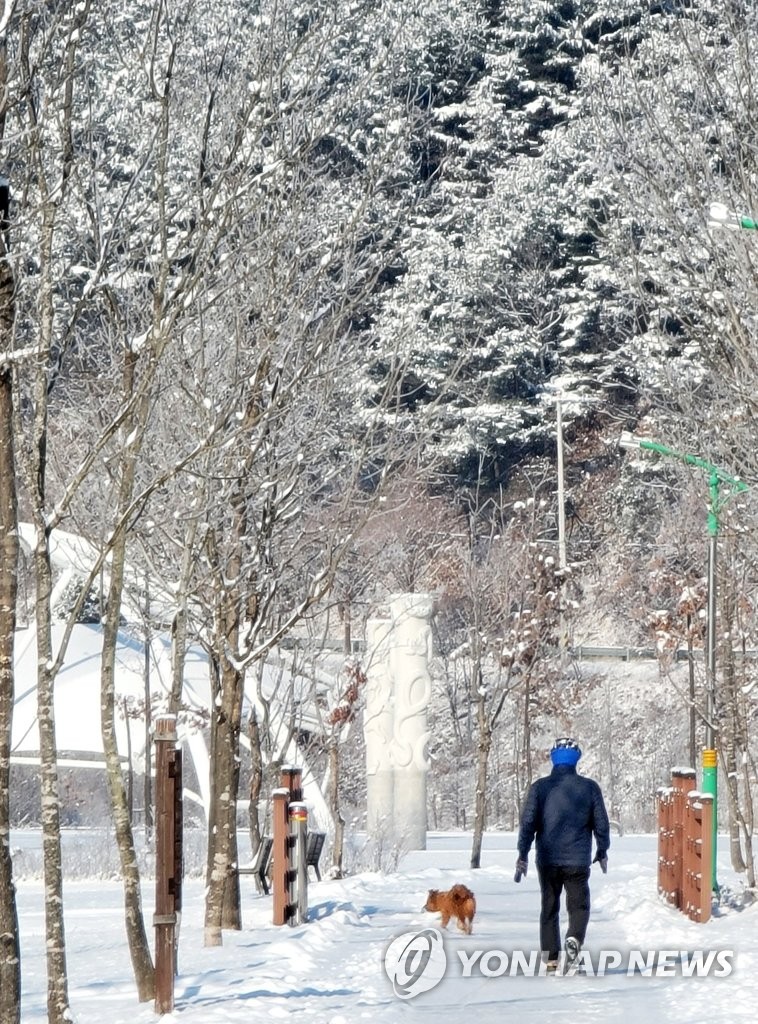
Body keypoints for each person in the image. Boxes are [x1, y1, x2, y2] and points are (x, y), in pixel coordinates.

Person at [515, 737, 610, 971]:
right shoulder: (589, 788)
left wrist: (523, 853)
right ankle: (574, 939)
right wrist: (602, 849)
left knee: (549, 906)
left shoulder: (540, 788)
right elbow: (601, 823)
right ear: (576, 760)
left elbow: (528, 823)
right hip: (577, 860)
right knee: (579, 906)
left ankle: (551, 959)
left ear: (553, 759)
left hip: (547, 859)